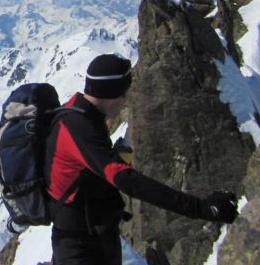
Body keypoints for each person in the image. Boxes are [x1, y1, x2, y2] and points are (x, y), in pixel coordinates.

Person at [44, 54, 238, 264]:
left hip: (96, 235)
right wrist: (199, 208)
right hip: (79, 245)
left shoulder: (85, 114)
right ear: (111, 92)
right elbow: (126, 180)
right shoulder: (77, 127)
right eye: (124, 94)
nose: (126, 100)